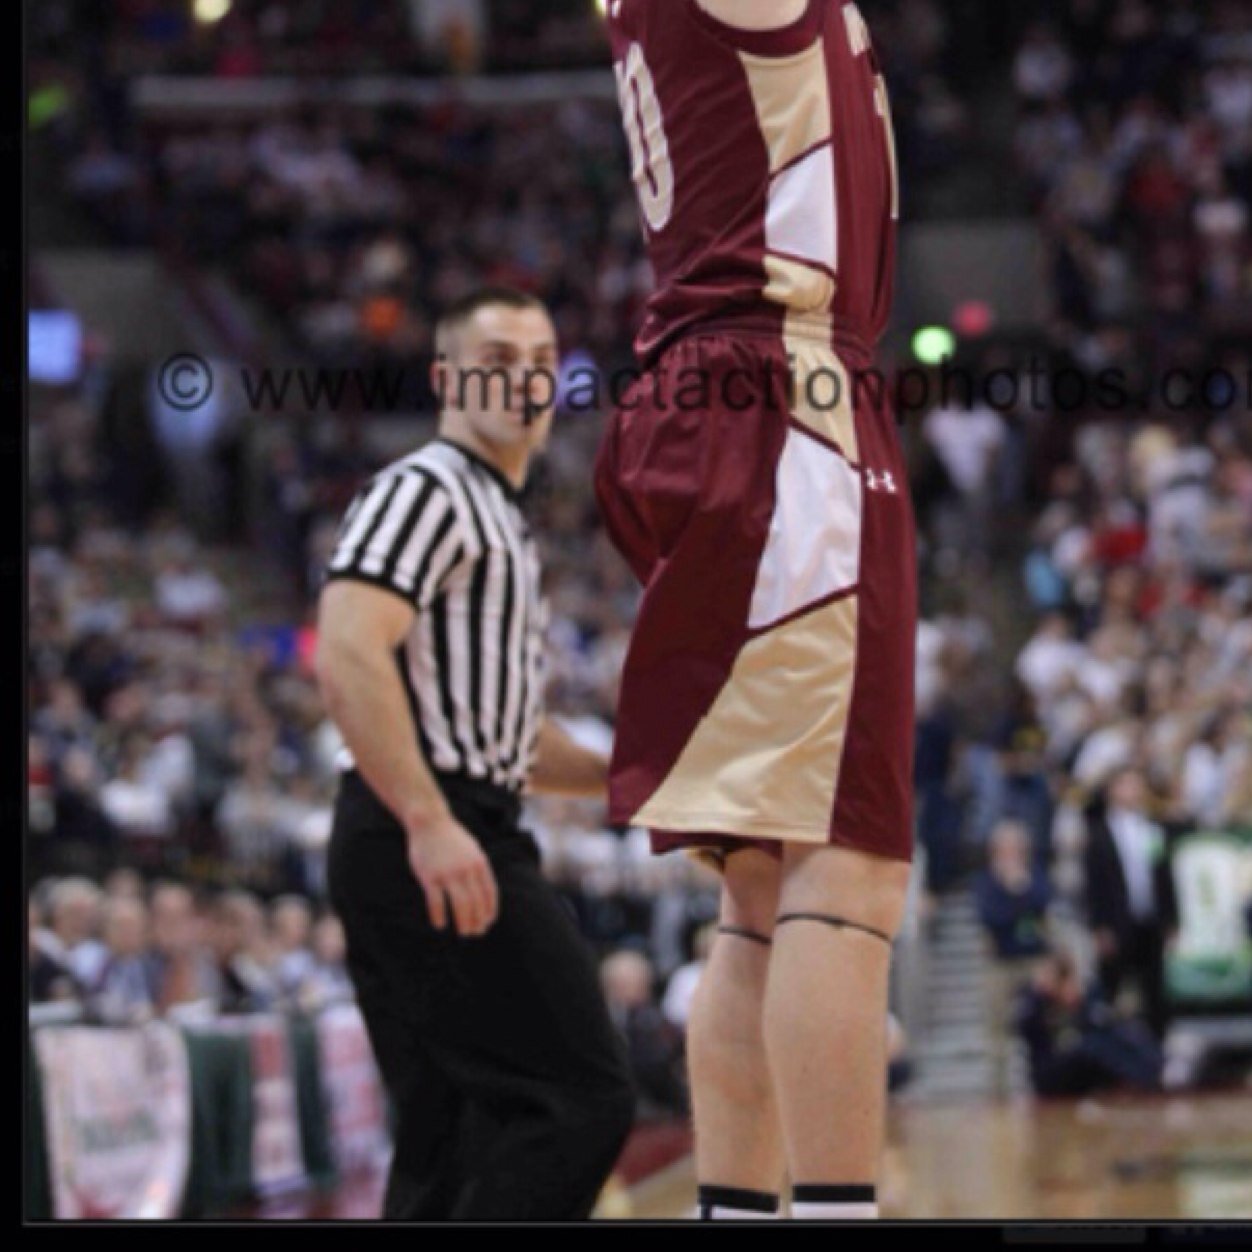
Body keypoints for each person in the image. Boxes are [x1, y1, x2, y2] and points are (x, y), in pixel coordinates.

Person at [596, 0, 915, 1222]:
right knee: (848, 864)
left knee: (763, 887)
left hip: (719, 393)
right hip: (779, 393)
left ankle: (740, 1209)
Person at [317, 288, 634, 1221]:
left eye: (541, 361)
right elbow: (346, 646)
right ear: (448, 378)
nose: (524, 377)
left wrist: (656, 784)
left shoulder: (502, 520)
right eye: (497, 357)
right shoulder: (429, 489)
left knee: (454, 1136)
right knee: (579, 1098)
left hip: (451, 810)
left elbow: (514, 739)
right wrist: (427, 817)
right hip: (429, 824)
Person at [1083, 766, 1177, 1039]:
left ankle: (1157, 1055)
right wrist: (1100, 926)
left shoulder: (1152, 829)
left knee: (1155, 991)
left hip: (1150, 921)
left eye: (1137, 784)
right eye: (1126, 784)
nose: (1133, 791)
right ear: (1112, 790)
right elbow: (1095, 885)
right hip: (1117, 922)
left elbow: (1164, 877)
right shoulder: (1099, 834)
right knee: (1112, 988)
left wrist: (1171, 920)